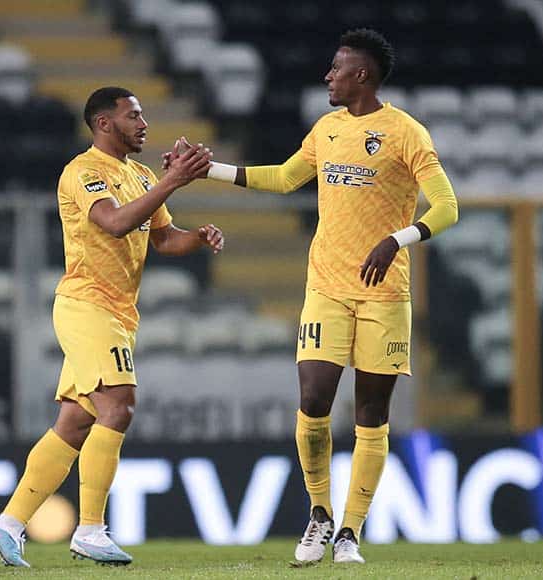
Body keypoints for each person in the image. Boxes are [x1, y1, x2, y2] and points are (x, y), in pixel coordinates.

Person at [169, 29, 458, 564]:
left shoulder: (405, 133)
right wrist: (207, 170)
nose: (328, 76)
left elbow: (446, 207)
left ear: (362, 76)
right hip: (326, 286)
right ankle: (320, 515)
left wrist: (397, 239)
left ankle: (351, 530)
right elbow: (282, 179)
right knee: (314, 398)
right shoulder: (325, 129)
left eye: (337, 68)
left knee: (372, 412)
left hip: (384, 294)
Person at [0, 86, 223, 568]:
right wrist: (173, 181)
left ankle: (8, 522)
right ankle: (90, 529)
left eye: (143, 114)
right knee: (120, 405)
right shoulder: (83, 171)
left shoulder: (140, 174)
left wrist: (196, 236)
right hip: (87, 305)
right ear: (104, 123)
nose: (144, 123)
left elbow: (162, 238)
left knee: (75, 422)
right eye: (133, 115)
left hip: (116, 312)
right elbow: (112, 223)